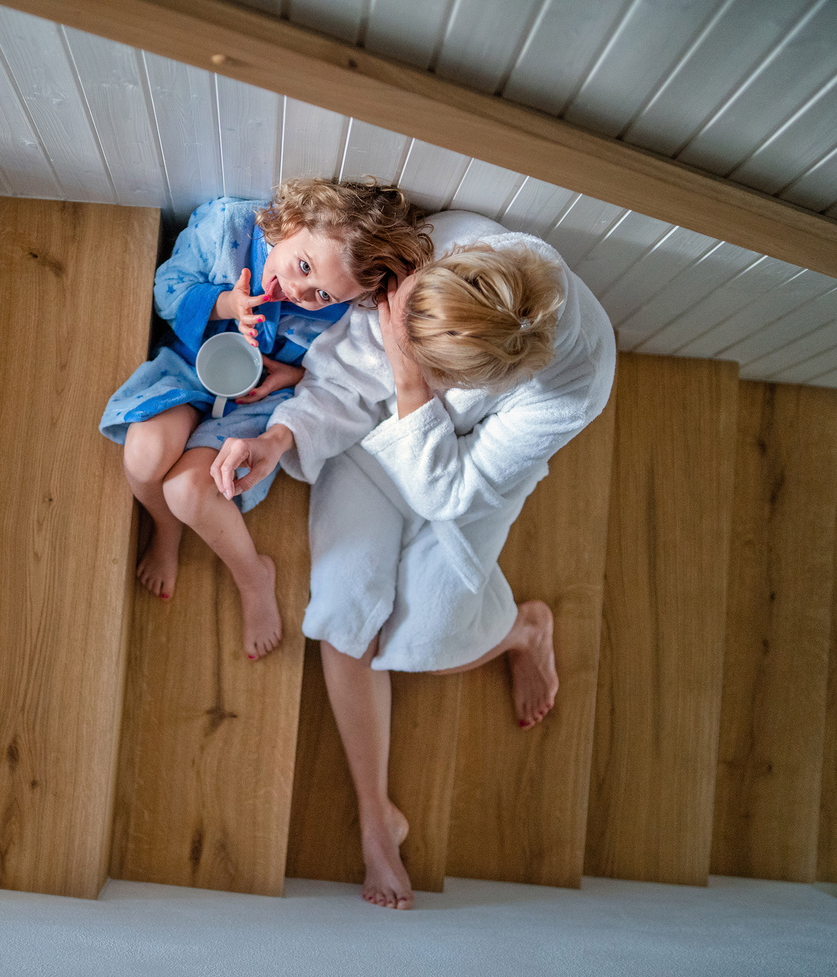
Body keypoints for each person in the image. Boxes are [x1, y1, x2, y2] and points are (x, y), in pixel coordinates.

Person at [210, 210, 616, 908]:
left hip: (466, 484)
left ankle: (522, 627)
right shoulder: (442, 246)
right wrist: (279, 439)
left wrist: (407, 377)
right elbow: (343, 376)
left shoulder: (572, 386)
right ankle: (376, 816)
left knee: (418, 641)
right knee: (342, 619)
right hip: (375, 440)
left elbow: (451, 490)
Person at [100, 179, 433, 659]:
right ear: (294, 221)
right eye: (303, 266)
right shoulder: (227, 228)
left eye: (321, 295)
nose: (301, 293)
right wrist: (225, 305)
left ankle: (253, 575)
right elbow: (166, 290)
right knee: (144, 454)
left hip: (255, 400)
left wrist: (293, 375)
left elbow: (334, 374)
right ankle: (164, 528)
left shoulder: (341, 303)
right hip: (189, 367)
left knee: (188, 491)